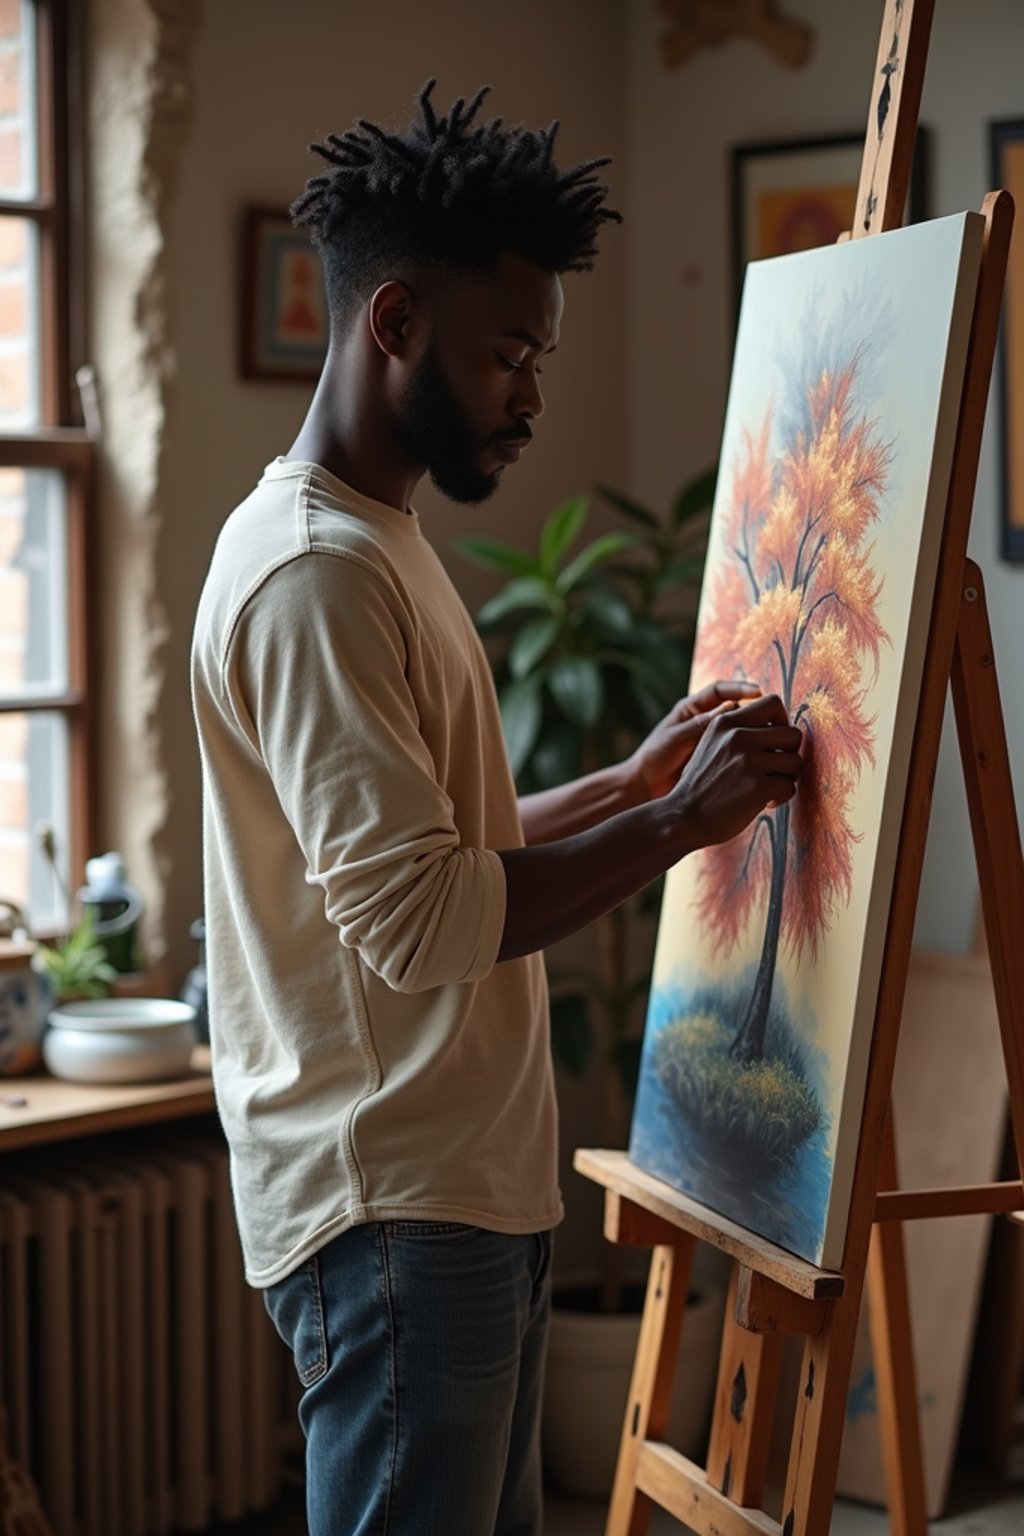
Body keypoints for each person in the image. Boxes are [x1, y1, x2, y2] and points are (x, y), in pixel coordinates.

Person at [190, 79, 802, 1536]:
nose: (531, 393)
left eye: (537, 355)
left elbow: (434, 843)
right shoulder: (318, 574)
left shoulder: (375, 542)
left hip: (448, 1193)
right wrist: (677, 830)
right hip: (395, 1206)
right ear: (392, 322)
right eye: (506, 355)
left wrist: (630, 779)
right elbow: (416, 924)